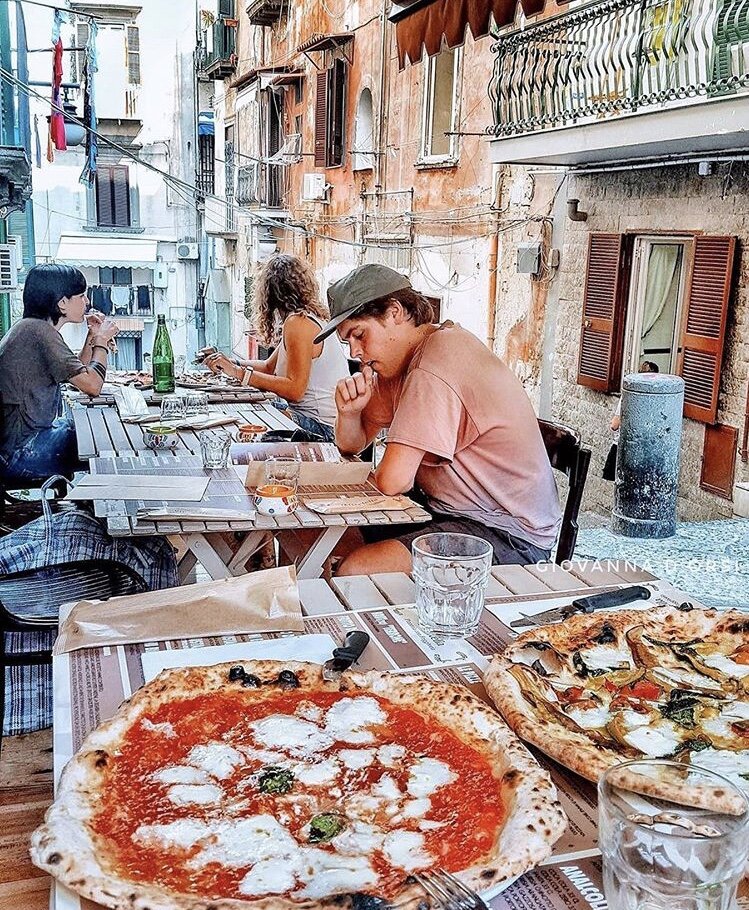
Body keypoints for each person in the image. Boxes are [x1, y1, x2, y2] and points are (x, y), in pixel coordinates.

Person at [312, 264, 562, 575]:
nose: (354, 351)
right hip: (445, 513)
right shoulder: (397, 364)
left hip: (507, 535)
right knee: (321, 540)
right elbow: (353, 443)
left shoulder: (437, 358)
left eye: (360, 335)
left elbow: (393, 481)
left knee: (357, 569)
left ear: (395, 312)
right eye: (347, 340)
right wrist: (349, 413)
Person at [200, 254, 349, 442]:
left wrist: (238, 373)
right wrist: (228, 363)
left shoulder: (299, 323)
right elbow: (268, 367)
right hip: (325, 424)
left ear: (268, 293)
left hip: (323, 430)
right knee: (249, 414)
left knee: (246, 422)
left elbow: (295, 390)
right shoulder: (305, 318)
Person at [0, 263, 119, 480]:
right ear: (62, 302)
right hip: (21, 453)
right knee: (108, 440)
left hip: (20, 444)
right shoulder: (39, 332)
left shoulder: (32, 328)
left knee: (92, 429)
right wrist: (102, 340)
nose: (87, 302)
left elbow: (77, 372)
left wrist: (92, 337)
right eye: (81, 296)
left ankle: (87, 506)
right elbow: (92, 385)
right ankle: (98, 509)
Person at [603, 360, 659, 481]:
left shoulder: (629, 395)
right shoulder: (657, 400)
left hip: (623, 447)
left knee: (621, 485)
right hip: (646, 451)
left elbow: (614, 425)